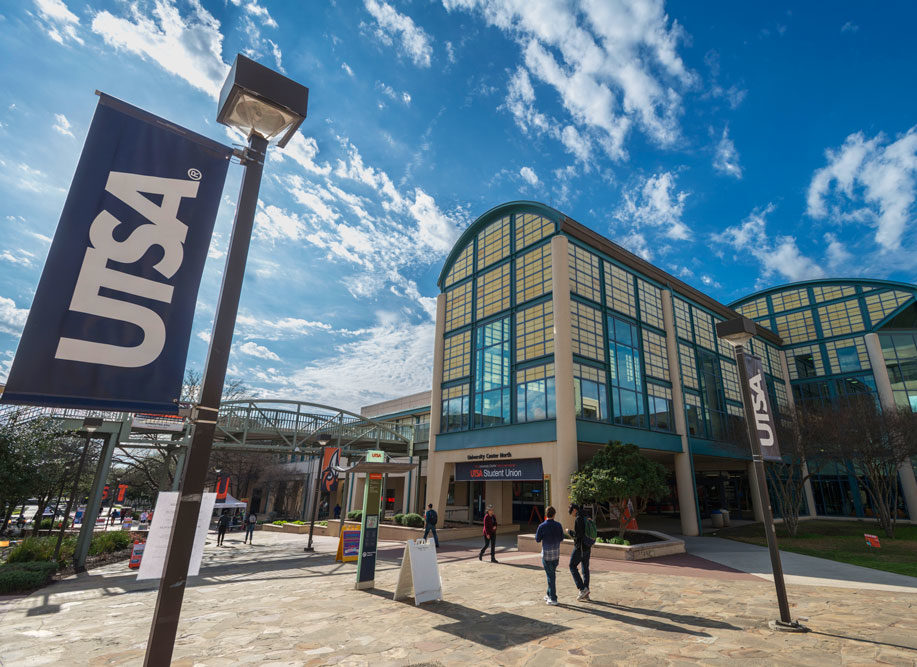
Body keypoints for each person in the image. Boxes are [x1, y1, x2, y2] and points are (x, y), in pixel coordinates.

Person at [535, 506, 564, 605]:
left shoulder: (542, 526)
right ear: (554, 514)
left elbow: (537, 539)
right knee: (551, 575)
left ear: (546, 514)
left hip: (546, 554)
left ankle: (553, 598)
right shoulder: (558, 525)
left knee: (550, 576)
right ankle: (549, 594)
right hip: (556, 554)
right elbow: (561, 538)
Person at [567, 503, 591, 601]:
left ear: (574, 510)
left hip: (580, 547)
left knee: (572, 565)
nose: (572, 515)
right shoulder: (586, 515)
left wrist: (569, 532)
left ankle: (582, 589)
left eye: (571, 512)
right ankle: (586, 591)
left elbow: (578, 535)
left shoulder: (579, 518)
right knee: (585, 568)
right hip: (588, 547)